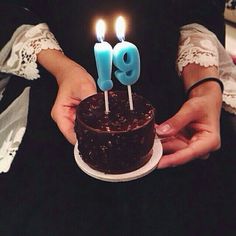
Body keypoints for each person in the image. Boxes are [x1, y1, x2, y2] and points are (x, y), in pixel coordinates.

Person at [0, 1, 236, 235]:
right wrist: (64, 69)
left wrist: (203, 86)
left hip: (174, 101)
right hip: (63, 99)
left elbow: (200, 9)